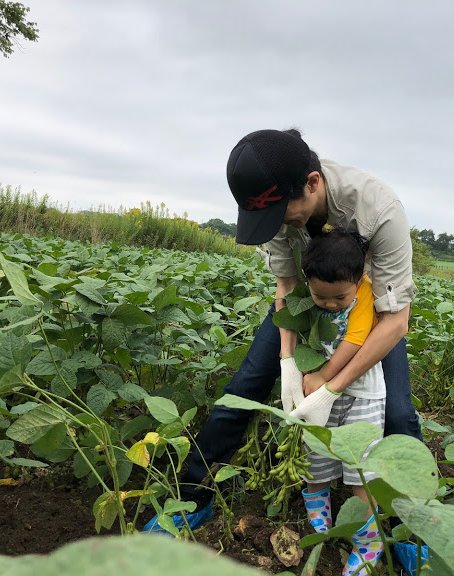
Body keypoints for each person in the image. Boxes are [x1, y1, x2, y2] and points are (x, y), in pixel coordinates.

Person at [143, 128, 421, 533]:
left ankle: (409, 528)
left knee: (397, 413)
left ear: (312, 183)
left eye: (278, 214)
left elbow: (395, 319)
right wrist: (289, 363)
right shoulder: (274, 208)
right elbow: (288, 288)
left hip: (366, 313)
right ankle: (192, 497)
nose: (274, 224)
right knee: (246, 387)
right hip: (305, 304)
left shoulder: (378, 208)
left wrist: (331, 384)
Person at [293, 229, 385, 576]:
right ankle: (321, 525)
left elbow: (357, 339)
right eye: (321, 298)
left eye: (338, 298)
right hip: (321, 396)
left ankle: (369, 543)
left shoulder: (363, 293)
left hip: (362, 394)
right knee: (314, 458)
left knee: (361, 472)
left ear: (358, 279)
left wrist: (324, 379)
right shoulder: (308, 297)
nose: (331, 305)